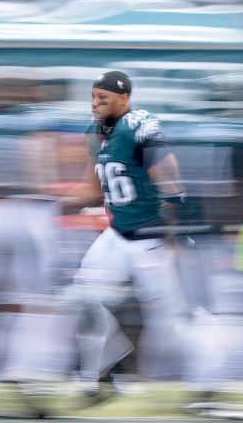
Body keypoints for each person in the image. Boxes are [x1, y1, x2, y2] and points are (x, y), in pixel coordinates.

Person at [62, 70, 190, 405]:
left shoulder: (139, 124)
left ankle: (209, 382)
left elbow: (167, 172)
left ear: (124, 98)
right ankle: (95, 376)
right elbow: (94, 187)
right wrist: (56, 202)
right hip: (117, 234)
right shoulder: (94, 132)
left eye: (102, 98)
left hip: (149, 235)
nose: (94, 103)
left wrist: (175, 224)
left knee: (171, 319)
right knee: (86, 298)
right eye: (92, 96)